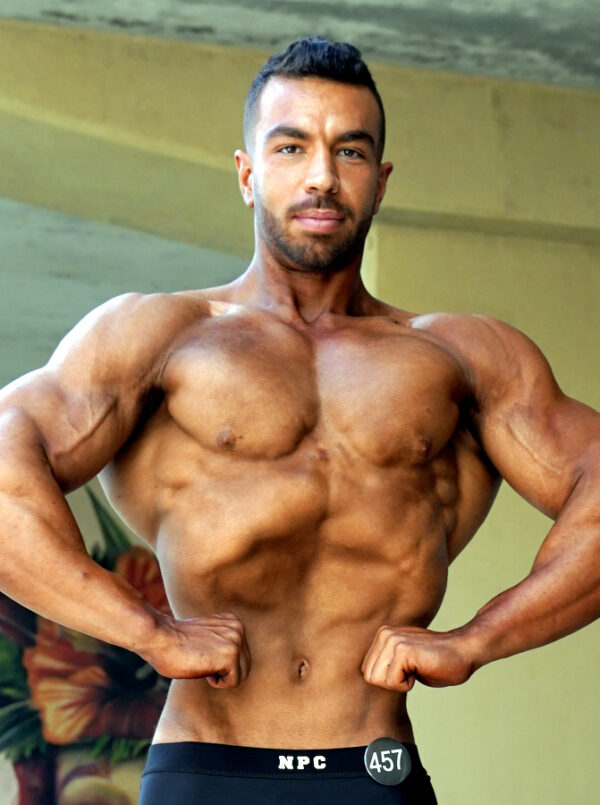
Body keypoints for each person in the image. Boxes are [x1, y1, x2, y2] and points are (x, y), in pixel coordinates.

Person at [0, 36, 599, 805]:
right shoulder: (159, 338)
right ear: (248, 174)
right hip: (206, 766)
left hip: (374, 767)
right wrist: (150, 631)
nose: (322, 176)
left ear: (380, 182)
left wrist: (479, 638)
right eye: (291, 147)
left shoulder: (461, 357)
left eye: (350, 151)